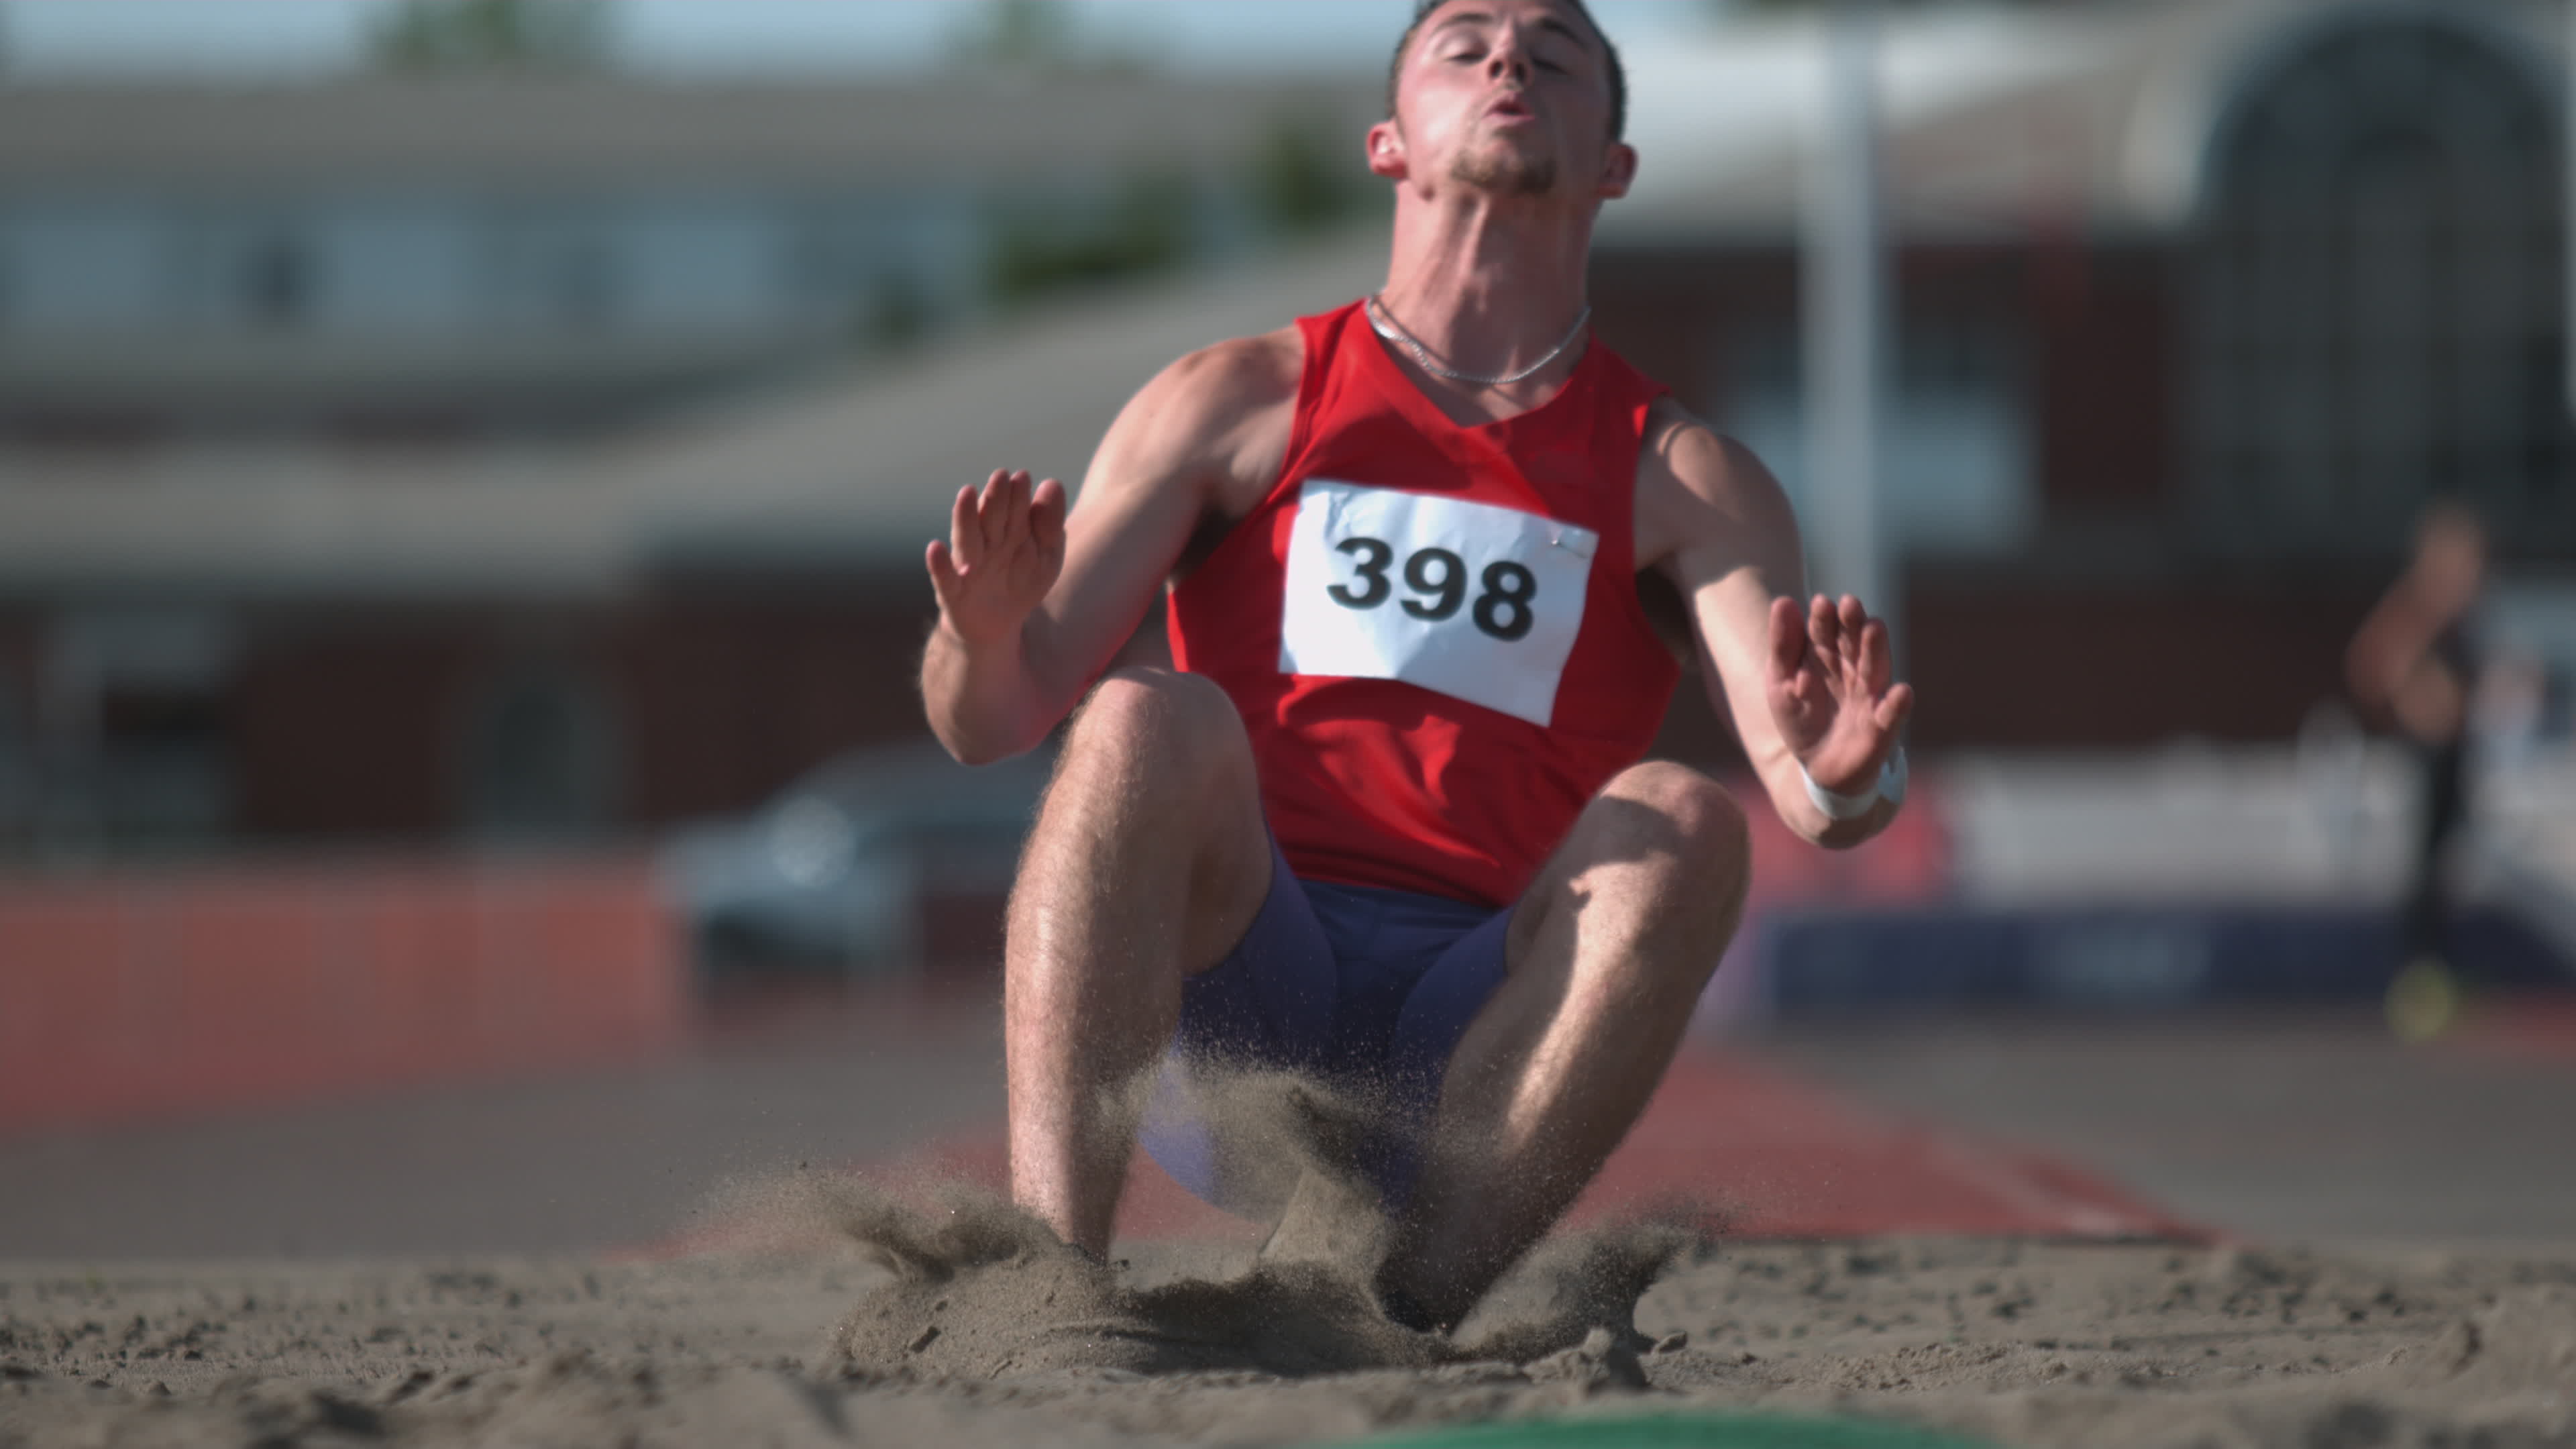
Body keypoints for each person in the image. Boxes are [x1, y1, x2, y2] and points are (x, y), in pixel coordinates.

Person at [917, 0, 1913, 1334]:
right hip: (1239, 1004)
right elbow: (994, 722)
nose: (1510, 60)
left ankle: (1399, 1316)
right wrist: (979, 636)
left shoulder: (1681, 476)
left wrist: (1847, 774)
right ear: (1389, 143)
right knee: (1142, 711)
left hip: (1480, 1051)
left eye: (1553, 54)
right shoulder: (1239, 398)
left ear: (1613, 163)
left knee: (1687, 815)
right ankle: (1052, 1286)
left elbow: (1812, 792)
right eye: (1467, 45)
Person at [2346, 502, 2487, 1038]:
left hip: (2457, 748)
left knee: (2448, 861)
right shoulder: (2420, 605)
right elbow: (2373, 661)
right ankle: (2420, 977)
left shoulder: (2460, 612)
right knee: (2426, 866)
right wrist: (2417, 701)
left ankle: (2439, 972)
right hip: (2430, 749)